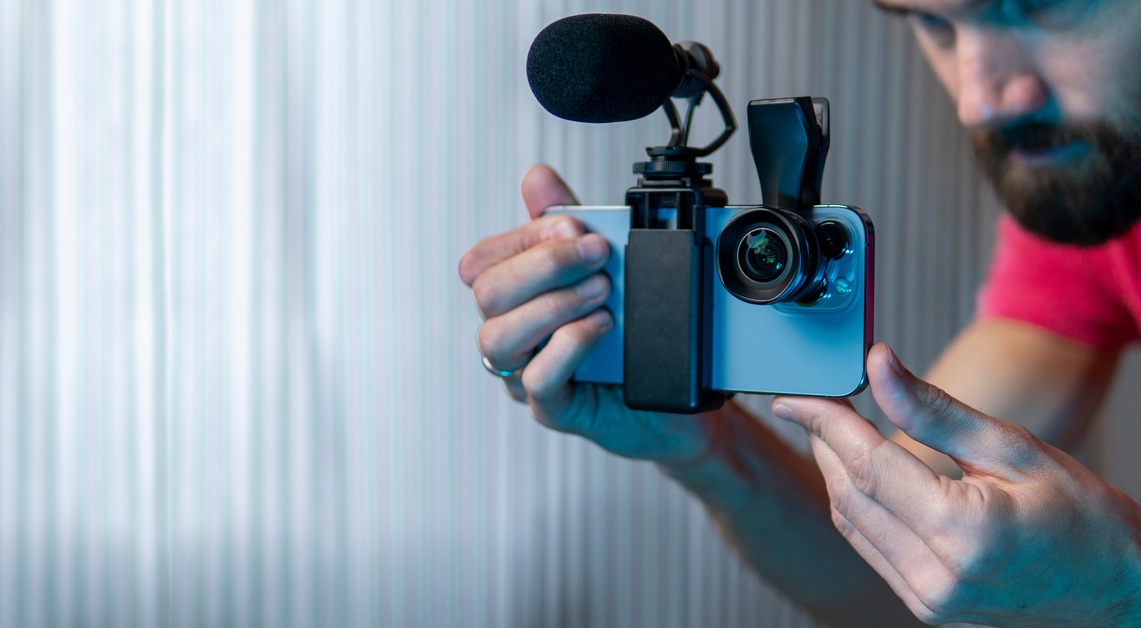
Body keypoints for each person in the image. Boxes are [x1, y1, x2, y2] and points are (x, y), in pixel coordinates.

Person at [459, 1, 1141, 625]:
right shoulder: (1090, 218)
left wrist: (1125, 586)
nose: (979, 100)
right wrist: (707, 448)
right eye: (932, 23)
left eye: (1044, 7)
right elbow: (889, 572)